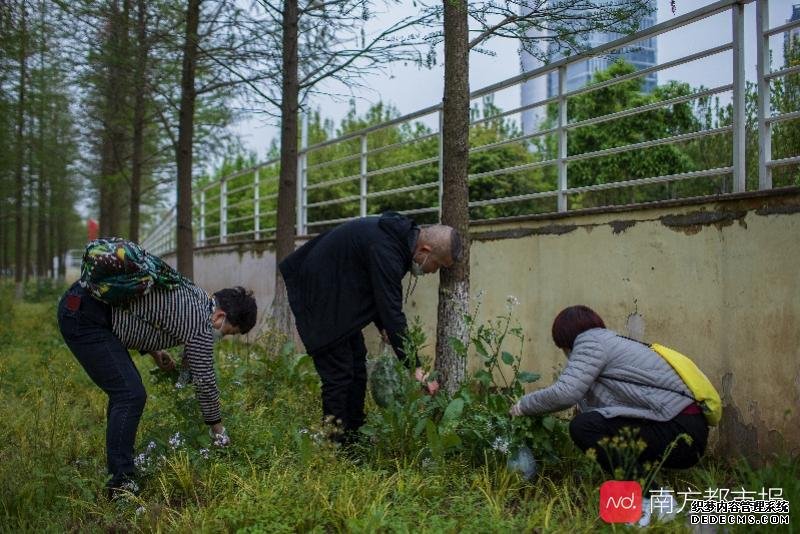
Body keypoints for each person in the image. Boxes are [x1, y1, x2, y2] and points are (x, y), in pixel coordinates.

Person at [57, 262, 257, 497]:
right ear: (220, 316)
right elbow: (205, 383)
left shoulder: (198, 297)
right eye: (228, 332)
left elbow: (147, 313)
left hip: (83, 306)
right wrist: (218, 431)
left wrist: (154, 352)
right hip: (85, 318)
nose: (222, 336)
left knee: (127, 391)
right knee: (130, 395)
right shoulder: (203, 323)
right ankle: (121, 485)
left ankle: (118, 467)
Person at [279, 211, 461, 443]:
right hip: (320, 295)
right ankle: (333, 445)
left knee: (357, 366)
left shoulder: (399, 240)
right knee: (339, 374)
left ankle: (354, 434)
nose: (434, 271)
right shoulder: (388, 250)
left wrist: (383, 325)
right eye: (438, 265)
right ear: (425, 251)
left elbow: (374, 287)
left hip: (339, 296)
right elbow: (391, 309)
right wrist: (414, 366)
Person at [509, 305, 708, 480]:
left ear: (566, 337)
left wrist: (522, 406)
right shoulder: (609, 342)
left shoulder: (590, 342)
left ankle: (650, 496)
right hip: (686, 430)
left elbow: (566, 394)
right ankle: (647, 487)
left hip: (680, 431)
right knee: (593, 422)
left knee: (583, 427)